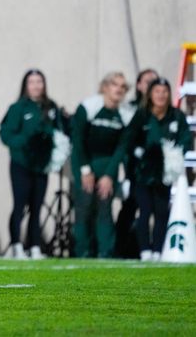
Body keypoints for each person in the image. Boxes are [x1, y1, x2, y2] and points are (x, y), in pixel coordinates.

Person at [114, 78, 193, 261]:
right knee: (145, 211)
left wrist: (174, 155)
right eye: (157, 91)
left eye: (164, 91)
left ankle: (158, 251)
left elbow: (185, 141)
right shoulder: (142, 115)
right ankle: (145, 252)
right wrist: (140, 154)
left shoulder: (176, 116)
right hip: (142, 174)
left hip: (164, 175)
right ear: (150, 94)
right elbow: (128, 139)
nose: (161, 95)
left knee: (161, 211)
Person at [0, 69, 66, 260]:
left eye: (39, 82)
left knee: (37, 207)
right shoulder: (18, 108)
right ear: (25, 86)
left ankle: (35, 246)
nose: (36, 86)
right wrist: (24, 142)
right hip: (21, 164)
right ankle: (16, 245)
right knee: (20, 205)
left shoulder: (51, 107)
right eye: (31, 82)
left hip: (41, 165)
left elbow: (58, 132)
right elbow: (6, 134)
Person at [70, 71, 135, 258]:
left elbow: (122, 147)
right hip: (85, 159)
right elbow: (78, 139)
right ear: (105, 87)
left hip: (107, 162)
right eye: (115, 84)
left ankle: (105, 252)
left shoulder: (126, 114)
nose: (119, 89)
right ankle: (83, 251)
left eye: (123, 87)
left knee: (105, 206)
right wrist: (84, 170)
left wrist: (109, 175)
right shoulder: (89, 107)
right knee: (85, 205)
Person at [114, 67, 158, 258]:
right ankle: (119, 248)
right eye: (147, 81)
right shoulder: (130, 108)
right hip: (133, 169)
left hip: (154, 170)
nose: (150, 85)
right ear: (139, 85)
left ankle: (152, 248)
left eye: (154, 81)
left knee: (155, 209)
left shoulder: (159, 109)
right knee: (131, 207)